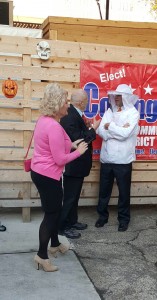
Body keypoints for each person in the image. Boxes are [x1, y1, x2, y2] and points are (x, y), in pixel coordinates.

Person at [30, 83, 88, 272]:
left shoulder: (45, 120)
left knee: (54, 210)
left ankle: (54, 244)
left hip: (42, 172)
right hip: (47, 176)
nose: (68, 106)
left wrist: (73, 144)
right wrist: (78, 152)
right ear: (57, 104)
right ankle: (41, 255)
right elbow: (60, 159)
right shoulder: (53, 126)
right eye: (66, 102)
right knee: (51, 215)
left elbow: (64, 142)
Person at [95, 84, 140, 232]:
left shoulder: (133, 113)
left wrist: (110, 126)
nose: (116, 98)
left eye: (119, 95)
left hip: (123, 160)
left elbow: (125, 134)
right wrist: (113, 129)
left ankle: (123, 220)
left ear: (126, 97)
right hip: (107, 158)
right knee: (104, 191)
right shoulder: (109, 110)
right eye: (115, 95)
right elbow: (101, 131)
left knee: (124, 193)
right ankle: (102, 217)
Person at [59, 89, 100, 239]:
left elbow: (79, 132)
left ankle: (72, 221)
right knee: (70, 197)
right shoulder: (69, 116)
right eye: (87, 100)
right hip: (73, 163)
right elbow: (80, 140)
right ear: (82, 102)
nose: (88, 103)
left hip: (78, 164)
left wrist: (87, 126)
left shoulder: (75, 114)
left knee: (74, 196)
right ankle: (62, 227)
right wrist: (94, 129)